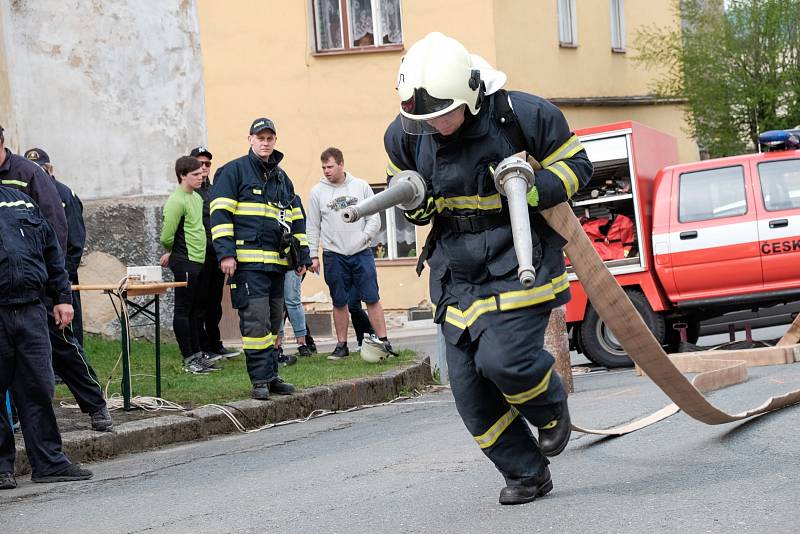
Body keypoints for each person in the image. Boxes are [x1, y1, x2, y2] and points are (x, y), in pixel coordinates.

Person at [382, 32, 592, 505]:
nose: (435, 126)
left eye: (443, 115)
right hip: (456, 273)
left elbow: (579, 166)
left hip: (519, 260)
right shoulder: (407, 132)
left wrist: (531, 185)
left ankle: (551, 408)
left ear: (471, 94)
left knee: (504, 362)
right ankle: (526, 473)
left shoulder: (524, 116)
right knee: (469, 392)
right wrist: (415, 203)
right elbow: (417, 199)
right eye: (425, 119)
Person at [210, 118, 311, 400]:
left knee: (273, 323)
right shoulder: (233, 172)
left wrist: (302, 255)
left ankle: (271, 374)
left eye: (270, 138)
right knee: (255, 323)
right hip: (247, 264)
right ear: (250, 139)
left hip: (277, 265)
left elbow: (296, 218)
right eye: (260, 137)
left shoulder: (281, 178)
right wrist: (226, 254)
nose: (265, 142)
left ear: (275, 141)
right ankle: (259, 381)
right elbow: (219, 214)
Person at [0, 183, 93, 490]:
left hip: (30, 310)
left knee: (38, 387)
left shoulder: (21, 203)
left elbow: (52, 252)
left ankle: (48, 462)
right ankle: (2, 469)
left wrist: (63, 297)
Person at [23, 148, 112, 431]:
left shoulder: (61, 196)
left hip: (50, 281)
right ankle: (15, 419)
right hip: (16, 286)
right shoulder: (12, 189)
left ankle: (96, 404)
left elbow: (67, 240)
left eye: (41, 168)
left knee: (65, 349)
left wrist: (60, 283)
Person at [307, 147, 394, 360]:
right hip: (334, 253)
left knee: (372, 298)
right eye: (324, 167)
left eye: (330, 166)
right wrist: (313, 254)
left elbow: (374, 218)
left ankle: (384, 342)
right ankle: (342, 345)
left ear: (341, 164)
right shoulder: (317, 192)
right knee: (339, 301)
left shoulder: (361, 186)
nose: (326, 171)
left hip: (361, 252)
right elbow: (313, 225)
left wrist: (363, 238)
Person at [160, 156, 219, 374]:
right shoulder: (176, 200)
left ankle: (198, 353)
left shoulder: (196, 198)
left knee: (197, 310)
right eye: (195, 174)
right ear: (182, 176)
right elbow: (167, 235)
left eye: (201, 173)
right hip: (184, 260)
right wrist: (173, 251)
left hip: (199, 260)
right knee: (183, 309)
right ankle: (188, 358)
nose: (201, 177)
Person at [190, 146, 240, 360]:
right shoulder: (189, 192)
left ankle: (215, 343)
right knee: (199, 303)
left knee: (215, 302)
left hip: (216, 253)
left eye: (207, 164)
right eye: (199, 164)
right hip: (199, 255)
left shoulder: (215, 189)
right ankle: (201, 346)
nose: (204, 168)